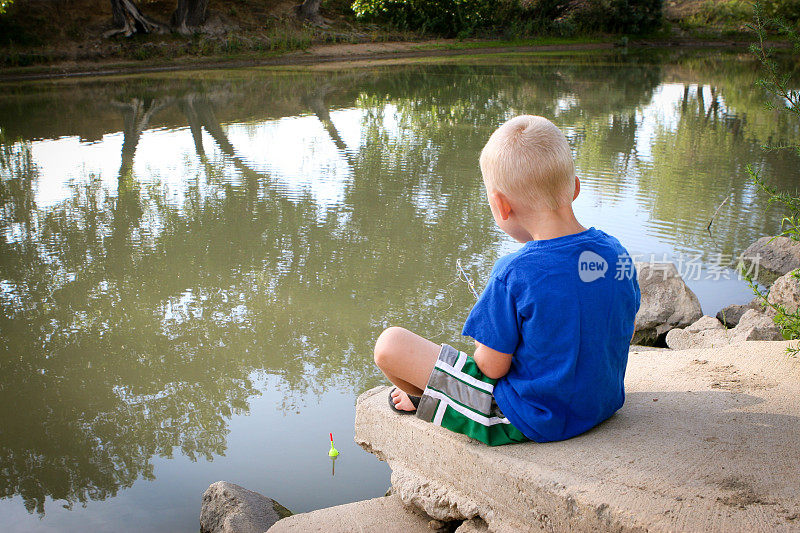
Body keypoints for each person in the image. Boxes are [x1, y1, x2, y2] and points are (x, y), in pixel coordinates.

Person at [373, 115, 640, 445]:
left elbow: (492, 368)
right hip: (602, 402)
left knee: (390, 345)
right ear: (575, 187)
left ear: (500, 206)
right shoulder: (616, 252)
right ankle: (426, 397)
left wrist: (484, 346)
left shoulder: (513, 273)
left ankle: (427, 397)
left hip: (531, 416)